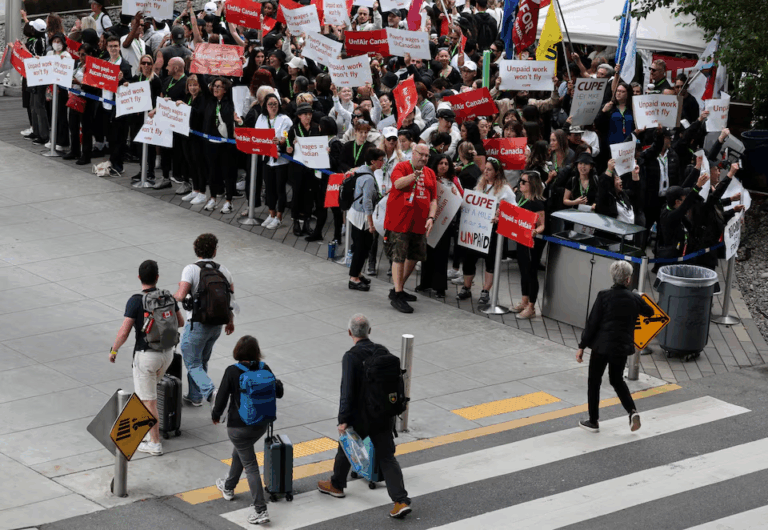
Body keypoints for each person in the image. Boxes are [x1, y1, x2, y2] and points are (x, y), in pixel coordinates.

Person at [317, 314, 412, 520]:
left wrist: (343, 419)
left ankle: (336, 485)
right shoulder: (382, 351)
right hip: (384, 413)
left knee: (346, 447)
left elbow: (347, 390)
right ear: (370, 331)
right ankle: (401, 500)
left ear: (350, 332)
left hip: (361, 415)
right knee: (387, 457)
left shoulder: (351, 356)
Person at [110, 260, 184, 456]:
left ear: (139, 278)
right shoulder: (168, 297)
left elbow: (124, 331)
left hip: (146, 357)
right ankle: (145, 430)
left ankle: (155, 443)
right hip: (167, 355)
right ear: (157, 277)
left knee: (148, 400)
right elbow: (181, 321)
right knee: (146, 395)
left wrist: (114, 350)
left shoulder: (135, 301)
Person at [212, 335, 284, 526]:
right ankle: (228, 486)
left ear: (237, 351)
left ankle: (260, 509)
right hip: (261, 424)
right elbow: (279, 392)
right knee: (241, 452)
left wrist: (216, 415)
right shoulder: (264, 368)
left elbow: (221, 397)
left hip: (238, 426)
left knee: (250, 464)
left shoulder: (232, 371)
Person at [576, 260, 655, 433]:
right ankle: (632, 411)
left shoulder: (603, 296)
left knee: (594, 381)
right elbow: (650, 312)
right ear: (628, 280)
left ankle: (593, 421)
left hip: (601, 346)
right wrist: (639, 297)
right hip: (621, 347)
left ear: (613, 277)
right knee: (617, 379)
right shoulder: (634, 298)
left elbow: (592, 323)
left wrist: (582, 346)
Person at [174, 233, 235, 407]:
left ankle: (210, 393)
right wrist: (230, 321)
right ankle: (195, 397)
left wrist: (173, 294)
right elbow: (231, 300)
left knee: (192, 363)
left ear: (196, 250)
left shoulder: (191, 269)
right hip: (216, 325)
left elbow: (180, 295)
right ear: (215, 251)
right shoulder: (224, 270)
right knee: (201, 361)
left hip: (197, 323)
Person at [384, 144, 438, 313]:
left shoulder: (430, 173)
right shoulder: (402, 167)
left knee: (414, 256)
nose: (424, 158)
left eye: (427, 156)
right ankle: (398, 293)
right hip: (400, 221)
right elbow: (398, 184)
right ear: (413, 154)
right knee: (398, 257)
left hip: (419, 223)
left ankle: (397, 289)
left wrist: (431, 217)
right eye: (421, 154)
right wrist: (413, 176)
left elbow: (434, 200)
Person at [457, 158, 516, 304]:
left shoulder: (505, 189)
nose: (486, 172)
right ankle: (466, 287)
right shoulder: (480, 184)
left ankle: (485, 291)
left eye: (489, 170)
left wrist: (499, 215)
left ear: (497, 172)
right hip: (476, 229)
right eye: (485, 169)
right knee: (469, 258)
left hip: (492, 231)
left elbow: (513, 209)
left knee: (490, 261)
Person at [417, 154, 459, 298]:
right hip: (429, 221)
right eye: (441, 163)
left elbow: (461, 198)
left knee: (441, 255)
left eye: (446, 163)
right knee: (426, 253)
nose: (443, 166)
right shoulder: (429, 178)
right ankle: (425, 283)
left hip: (444, 223)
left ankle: (440, 287)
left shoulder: (454, 181)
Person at [348, 149, 386, 291]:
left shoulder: (362, 170)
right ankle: (354, 278)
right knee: (362, 248)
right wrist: (371, 224)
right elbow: (367, 203)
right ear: (373, 162)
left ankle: (357, 272)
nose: (382, 162)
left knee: (361, 246)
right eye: (381, 160)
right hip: (362, 217)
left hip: (354, 213)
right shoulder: (369, 178)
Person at [512, 170, 547, 319]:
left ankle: (532, 307)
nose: (520, 183)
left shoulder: (537, 202)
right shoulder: (519, 197)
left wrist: (535, 232)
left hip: (534, 241)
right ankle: (524, 300)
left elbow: (542, 225)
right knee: (523, 269)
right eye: (520, 180)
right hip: (521, 238)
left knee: (531, 272)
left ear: (532, 184)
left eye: (524, 182)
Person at [256, 92, 292, 229]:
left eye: (275, 104)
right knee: (269, 188)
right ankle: (271, 214)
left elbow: (286, 137)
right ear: (265, 106)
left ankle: (279, 216)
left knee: (280, 189)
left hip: (280, 160)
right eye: (270, 104)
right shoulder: (261, 118)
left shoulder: (285, 119)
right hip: (266, 158)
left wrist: (281, 142)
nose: (273, 106)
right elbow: (257, 134)